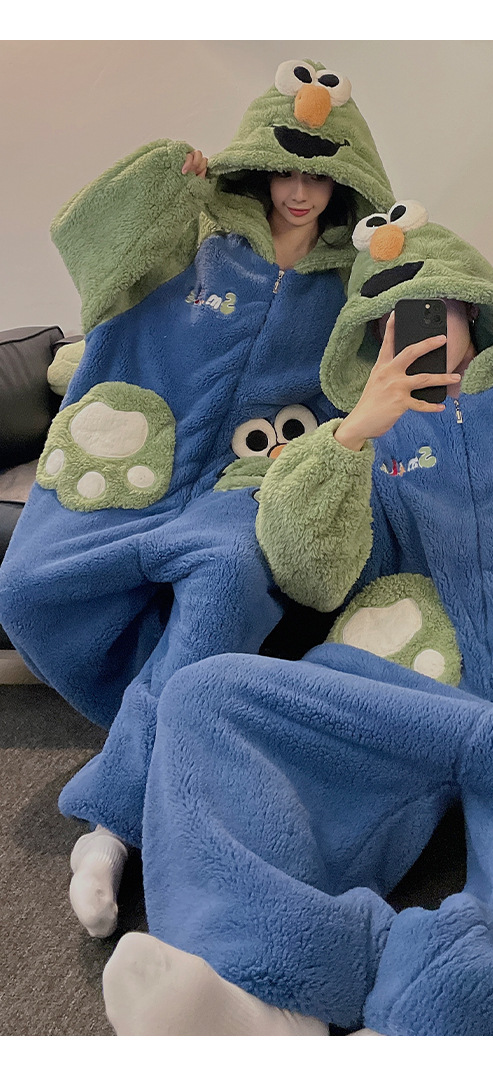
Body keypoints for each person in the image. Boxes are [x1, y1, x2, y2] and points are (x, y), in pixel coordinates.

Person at [98, 189, 493, 1035]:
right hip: (417, 701)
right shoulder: (366, 435)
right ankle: (260, 987)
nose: (414, 332)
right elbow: (310, 573)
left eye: (432, 310)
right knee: (207, 698)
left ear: (474, 310)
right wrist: (350, 438)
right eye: (388, 321)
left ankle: (445, 1012)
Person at [0, 59, 393, 938]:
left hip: (249, 484)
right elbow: (90, 251)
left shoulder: (349, 287)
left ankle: (111, 827)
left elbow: (399, 358)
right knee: (22, 589)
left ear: (347, 180)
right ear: (257, 163)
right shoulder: (194, 240)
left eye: (321, 177)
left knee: (227, 584)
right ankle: (171, 736)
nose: (301, 192)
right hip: (136, 464)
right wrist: (159, 179)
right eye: (285, 171)